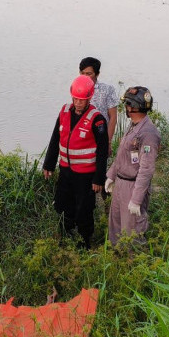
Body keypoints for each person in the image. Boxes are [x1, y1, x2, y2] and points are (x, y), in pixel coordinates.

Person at [43, 75, 109, 249]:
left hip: (86, 176)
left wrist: (98, 179)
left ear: (89, 98)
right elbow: (55, 138)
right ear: (72, 97)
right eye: (76, 99)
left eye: (83, 100)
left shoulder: (97, 119)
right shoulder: (64, 111)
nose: (79, 103)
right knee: (62, 205)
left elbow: (103, 151)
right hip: (66, 172)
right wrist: (48, 165)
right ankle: (66, 238)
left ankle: (85, 243)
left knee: (84, 210)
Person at [105, 87, 161, 245]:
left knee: (132, 231)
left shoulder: (148, 133)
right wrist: (111, 175)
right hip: (121, 183)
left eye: (127, 105)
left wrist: (136, 199)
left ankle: (134, 263)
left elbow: (146, 170)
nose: (125, 108)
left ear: (132, 106)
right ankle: (117, 260)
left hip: (133, 186)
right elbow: (123, 155)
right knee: (116, 226)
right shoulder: (134, 126)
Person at [79, 57, 119, 152]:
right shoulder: (78, 88)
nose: (85, 76)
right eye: (82, 73)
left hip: (100, 137)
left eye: (89, 74)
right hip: (81, 137)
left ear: (97, 74)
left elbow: (113, 117)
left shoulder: (107, 90)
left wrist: (107, 142)